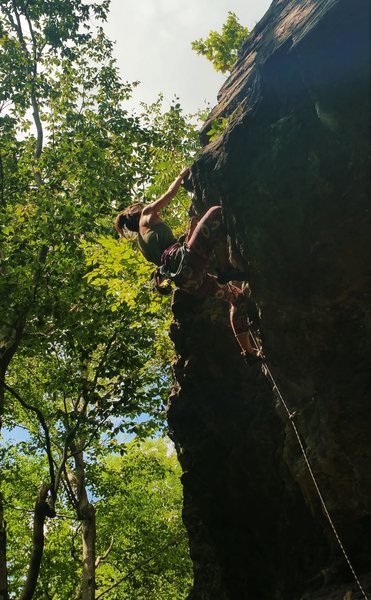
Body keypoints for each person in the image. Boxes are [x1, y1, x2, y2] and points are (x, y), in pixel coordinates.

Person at [114, 168, 260, 363]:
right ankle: (225, 269)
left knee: (236, 298)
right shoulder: (146, 214)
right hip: (188, 263)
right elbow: (169, 194)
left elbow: (170, 259)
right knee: (216, 213)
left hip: (188, 282)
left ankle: (248, 352)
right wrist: (181, 176)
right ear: (138, 212)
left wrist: (192, 233)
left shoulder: (142, 244)